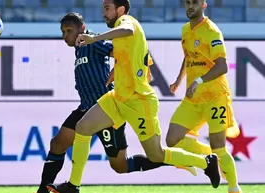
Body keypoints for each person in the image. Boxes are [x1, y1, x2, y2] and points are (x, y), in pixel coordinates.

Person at [47, 1, 221, 193]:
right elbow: (132, 53)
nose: (104, 13)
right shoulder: (119, 32)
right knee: (83, 127)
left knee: (156, 154)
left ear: (120, 10)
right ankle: (73, 185)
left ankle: (205, 162)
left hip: (139, 101)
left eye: (107, 9)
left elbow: (128, 31)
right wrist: (118, 69)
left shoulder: (127, 21)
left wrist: (93, 39)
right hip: (118, 96)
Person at [165, 0, 242, 193]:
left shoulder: (212, 31)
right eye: (188, 3)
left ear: (204, 5)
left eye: (195, 3)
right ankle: (209, 157)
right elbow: (189, 56)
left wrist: (198, 81)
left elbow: (222, 66)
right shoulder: (185, 30)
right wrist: (178, 80)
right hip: (193, 99)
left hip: (215, 96)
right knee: (172, 139)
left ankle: (234, 188)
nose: (191, 6)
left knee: (219, 145)